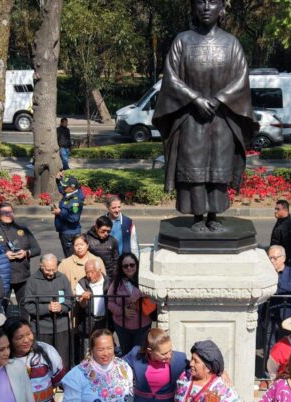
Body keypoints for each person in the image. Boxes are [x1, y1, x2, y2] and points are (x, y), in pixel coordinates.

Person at [152, 0, 256, 232]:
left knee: (218, 168)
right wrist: (195, 99)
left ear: (222, 9)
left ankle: (213, 216)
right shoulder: (182, 40)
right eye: (201, 1)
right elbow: (171, 78)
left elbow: (242, 78)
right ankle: (197, 217)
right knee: (194, 168)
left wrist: (220, 99)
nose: (206, 7)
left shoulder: (231, 43)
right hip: (191, 118)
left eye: (213, 2)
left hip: (222, 118)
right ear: (194, 8)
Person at [22, 254, 74, 363]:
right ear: (41, 266)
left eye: (54, 270)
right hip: (41, 328)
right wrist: (47, 308)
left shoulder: (62, 278)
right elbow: (28, 305)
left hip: (61, 327)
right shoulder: (32, 281)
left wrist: (62, 307)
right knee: (43, 361)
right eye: (48, 270)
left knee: (62, 360)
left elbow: (70, 300)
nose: (51, 273)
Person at [0, 202, 41, 311]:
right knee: (1, 308)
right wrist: (4, 255)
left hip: (22, 275)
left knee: (25, 307)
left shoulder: (22, 229)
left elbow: (37, 249)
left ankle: (25, 327)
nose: (9, 215)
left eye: (10, 212)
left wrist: (26, 253)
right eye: (5, 213)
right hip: (3, 277)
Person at [107, 252, 152, 355]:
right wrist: (122, 311)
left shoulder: (144, 281)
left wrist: (138, 295)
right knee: (126, 354)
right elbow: (109, 302)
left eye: (132, 265)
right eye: (125, 266)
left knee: (139, 354)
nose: (129, 268)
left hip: (143, 325)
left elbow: (152, 294)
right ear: (121, 268)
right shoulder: (116, 283)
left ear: (137, 265)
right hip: (122, 326)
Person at [73, 259, 108, 362]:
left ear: (99, 270)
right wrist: (83, 299)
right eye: (87, 272)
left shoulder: (108, 282)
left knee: (103, 348)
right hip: (88, 322)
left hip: (104, 321)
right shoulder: (82, 283)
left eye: (91, 272)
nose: (89, 275)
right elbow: (82, 305)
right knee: (86, 352)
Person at [53, 173, 84, 257]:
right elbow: (62, 190)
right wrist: (59, 181)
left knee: (71, 257)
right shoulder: (70, 193)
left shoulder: (75, 202)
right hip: (65, 231)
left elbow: (74, 218)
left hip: (69, 233)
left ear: (72, 188)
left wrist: (60, 212)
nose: (63, 188)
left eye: (65, 186)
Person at [84, 215, 119, 282]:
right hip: (92, 276)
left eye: (108, 231)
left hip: (109, 277)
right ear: (96, 227)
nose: (106, 233)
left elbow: (116, 261)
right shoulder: (86, 239)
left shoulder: (113, 241)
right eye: (103, 231)